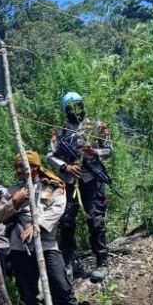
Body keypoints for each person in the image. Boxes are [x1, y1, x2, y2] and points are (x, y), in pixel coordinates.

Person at [0, 151, 85, 305]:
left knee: (61, 286)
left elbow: (57, 209)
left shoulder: (53, 187)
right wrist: (15, 202)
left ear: (35, 167)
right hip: (20, 248)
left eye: (24, 166)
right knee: (27, 291)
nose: (19, 170)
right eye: (17, 166)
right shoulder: (12, 191)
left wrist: (37, 226)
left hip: (47, 246)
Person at [46, 90, 113, 282]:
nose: (77, 110)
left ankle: (102, 262)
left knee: (95, 220)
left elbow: (109, 150)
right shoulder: (60, 132)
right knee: (67, 221)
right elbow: (50, 156)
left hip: (92, 180)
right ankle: (69, 261)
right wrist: (66, 166)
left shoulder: (98, 126)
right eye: (72, 108)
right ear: (66, 110)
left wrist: (95, 152)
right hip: (70, 182)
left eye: (79, 106)